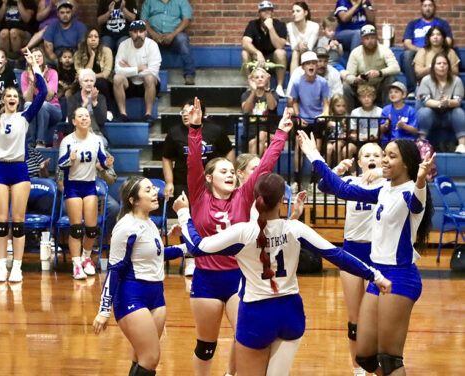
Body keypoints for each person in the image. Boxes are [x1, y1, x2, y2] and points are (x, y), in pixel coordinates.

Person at [174, 171, 391, 376]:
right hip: (290, 313)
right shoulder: (295, 229)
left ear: (255, 199)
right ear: (281, 201)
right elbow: (338, 256)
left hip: (256, 314)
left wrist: (184, 214)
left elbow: (197, 247)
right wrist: (376, 276)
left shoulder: (242, 232)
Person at [300, 130, 435, 376]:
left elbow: (417, 200)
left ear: (406, 162)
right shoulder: (384, 190)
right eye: (384, 155)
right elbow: (341, 188)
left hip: (400, 278)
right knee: (365, 356)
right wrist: (313, 155)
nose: (384, 160)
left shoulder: (410, 192)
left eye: (390, 156)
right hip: (378, 274)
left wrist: (421, 180)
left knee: (390, 358)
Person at [185, 98, 292, 376]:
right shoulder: (198, 196)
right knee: (205, 346)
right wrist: (195, 129)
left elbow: (264, 166)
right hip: (206, 279)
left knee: (244, 339)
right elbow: (194, 162)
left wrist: (280, 132)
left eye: (233, 171)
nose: (230, 175)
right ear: (209, 178)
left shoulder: (243, 197)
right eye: (223, 171)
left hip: (238, 277)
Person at [92, 176, 187, 376]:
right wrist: (103, 310)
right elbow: (115, 269)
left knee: (141, 358)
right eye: (148, 190)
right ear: (133, 200)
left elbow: (157, 254)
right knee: (151, 358)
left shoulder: (150, 223)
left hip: (156, 295)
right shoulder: (126, 226)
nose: (155, 192)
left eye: (154, 188)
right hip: (132, 295)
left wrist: (185, 248)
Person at [0, 52, 47, 283]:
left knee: (18, 221)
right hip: (1, 171)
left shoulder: (25, 117)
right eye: (9, 96)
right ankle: (2, 265)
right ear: (4, 100)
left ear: (18, 99)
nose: (12, 98)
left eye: (15, 95)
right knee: (1, 221)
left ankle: (17, 266)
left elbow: (43, 93)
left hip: (19, 170)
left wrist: (35, 66)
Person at [322, 142, 386, 376]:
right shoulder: (350, 182)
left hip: (377, 254)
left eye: (376, 155)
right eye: (366, 155)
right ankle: (357, 369)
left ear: (383, 160)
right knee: (354, 319)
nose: (372, 158)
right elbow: (323, 185)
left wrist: (380, 173)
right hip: (350, 251)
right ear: (359, 162)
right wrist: (338, 170)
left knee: (375, 315)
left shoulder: (389, 185)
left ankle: (376, 363)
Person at [58, 107, 114, 279]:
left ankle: (86, 258)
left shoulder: (96, 140)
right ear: (74, 121)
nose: (84, 119)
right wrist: (70, 159)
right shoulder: (67, 141)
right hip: (72, 186)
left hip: (90, 185)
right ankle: (76, 264)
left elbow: (103, 161)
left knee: (91, 229)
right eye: (80, 116)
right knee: (76, 229)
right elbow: (61, 163)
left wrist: (107, 163)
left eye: (86, 116)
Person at [163, 99, 234, 215]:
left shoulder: (215, 131)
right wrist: (169, 182)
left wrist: (228, 173)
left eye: (189, 111)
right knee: (187, 216)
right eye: (183, 112)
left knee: (210, 215)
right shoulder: (174, 133)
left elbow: (228, 151)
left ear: (199, 113)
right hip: (183, 181)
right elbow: (166, 157)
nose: (185, 114)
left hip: (211, 182)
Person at [289, 51, 330, 180]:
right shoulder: (296, 82)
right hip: (303, 120)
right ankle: (297, 179)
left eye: (313, 63)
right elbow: (294, 102)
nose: (311, 66)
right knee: (299, 148)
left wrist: (325, 115)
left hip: (318, 120)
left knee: (316, 149)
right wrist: (298, 117)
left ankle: (314, 179)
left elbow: (326, 103)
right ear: (303, 67)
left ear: (317, 66)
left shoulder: (323, 82)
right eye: (308, 64)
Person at [343, 25, 400, 112]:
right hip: (361, 87)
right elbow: (348, 75)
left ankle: (388, 115)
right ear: (362, 40)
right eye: (367, 38)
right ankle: (348, 117)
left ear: (376, 38)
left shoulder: (384, 50)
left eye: (372, 38)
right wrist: (356, 80)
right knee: (346, 86)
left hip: (379, 87)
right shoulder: (355, 52)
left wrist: (379, 72)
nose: (370, 41)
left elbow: (396, 68)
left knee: (391, 79)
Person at [113, 20, 162, 123]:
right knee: (117, 78)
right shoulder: (123, 45)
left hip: (148, 84)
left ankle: (148, 114)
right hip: (130, 83)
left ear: (145, 33)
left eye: (141, 31)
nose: (138, 34)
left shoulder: (152, 45)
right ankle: (123, 114)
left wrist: (129, 68)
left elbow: (153, 71)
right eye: (135, 32)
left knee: (149, 77)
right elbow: (118, 70)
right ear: (130, 33)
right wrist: (139, 68)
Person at [402, 0, 453, 96]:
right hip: (417, 51)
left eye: (430, 6)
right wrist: (420, 50)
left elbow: (449, 40)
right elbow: (407, 42)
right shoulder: (413, 24)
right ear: (421, 8)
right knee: (407, 54)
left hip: (437, 50)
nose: (428, 8)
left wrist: (435, 47)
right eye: (425, 6)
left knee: (448, 53)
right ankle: (413, 90)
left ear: (434, 8)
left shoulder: (442, 23)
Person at [416, 53, 465, 153]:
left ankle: (462, 144)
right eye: (439, 63)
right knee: (425, 112)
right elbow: (426, 101)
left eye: (445, 63)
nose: (442, 66)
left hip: (449, 115)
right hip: (432, 115)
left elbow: (458, 101)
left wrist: (448, 102)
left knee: (459, 111)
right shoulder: (426, 80)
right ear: (433, 66)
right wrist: (440, 103)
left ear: (448, 66)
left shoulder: (457, 81)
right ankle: (421, 143)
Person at [140, 0, 195, 85]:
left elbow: (186, 20)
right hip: (153, 35)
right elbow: (143, 20)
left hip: (174, 35)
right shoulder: (149, 1)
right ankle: (141, 74)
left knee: (182, 39)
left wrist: (172, 34)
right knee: (143, 38)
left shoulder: (182, 1)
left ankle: (189, 75)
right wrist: (154, 34)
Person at [241, 1, 287, 97]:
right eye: (263, 10)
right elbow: (245, 42)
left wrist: (270, 28)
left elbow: (280, 45)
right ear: (259, 12)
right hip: (257, 58)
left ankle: (279, 87)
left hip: (273, 58)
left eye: (269, 10)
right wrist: (258, 53)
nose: (266, 12)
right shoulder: (253, 24)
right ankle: (251, 84)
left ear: (272, 12)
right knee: (244, 53)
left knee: (281, 53)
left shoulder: (280, 25)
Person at [22, 47, 62, 147]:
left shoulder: (52, 73)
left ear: (43, 58)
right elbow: (28, 99)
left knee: (43, 104)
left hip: (53, 109)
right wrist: (31, 81)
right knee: (27, 105)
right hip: (35, 110)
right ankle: (30, 143)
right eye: (34, 56)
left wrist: (42, 78)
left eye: (39, 56)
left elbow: (49, 97)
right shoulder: (25, 75)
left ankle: (40, 141)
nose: (37, 58)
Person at [74, 27, 114, 111]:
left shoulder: (106, 51)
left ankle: (108, 111)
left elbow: (106, 73)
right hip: (84, 82)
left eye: (96, 37)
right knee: (80, 85)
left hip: (104, 81)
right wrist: (92, 56)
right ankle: (79, 112)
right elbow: (81, 74)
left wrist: (90, 78)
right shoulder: (78, 54)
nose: (93, 39)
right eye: (90, 37)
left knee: (101, 83)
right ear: (86, 39)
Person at [241, 68, 278, 156]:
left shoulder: (272, 93)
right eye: (257, 77)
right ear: (252, 80)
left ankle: (253, 166)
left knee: (262, 134)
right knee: (262, 146)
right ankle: (258, 168)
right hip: (252, 132)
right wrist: (253, 92)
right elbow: (246, 110)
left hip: (270, 132)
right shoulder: (246, 95)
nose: (260, 79)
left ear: (267, 79)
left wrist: (266, 90)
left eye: (262, 77)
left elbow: (272, 107)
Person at [66, 69, 109, 146]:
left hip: (96, 134)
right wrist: (84, 104)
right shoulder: (73, 99)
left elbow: (102, 120)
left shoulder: (101, 98)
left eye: (91, 81)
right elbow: (71, 121)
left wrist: (94, 102)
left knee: (99, 143)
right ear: (80, 83)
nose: (89, 83)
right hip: (77, 134)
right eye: (86, 81)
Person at [0, 0, 37, 69]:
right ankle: (4, 62)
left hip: (24, 33)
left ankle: (18, 61)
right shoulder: (2, 2)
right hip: (5, 31)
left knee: (13, 32)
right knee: (3, 33)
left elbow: (27, 19)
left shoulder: (28, 2)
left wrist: (19, 2)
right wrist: (4, 4)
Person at [286, 2, 319, 74]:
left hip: (311, 53)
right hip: (295, 54)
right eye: (293, 11)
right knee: (295, 52)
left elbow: (310, 46)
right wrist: (299, 45)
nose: (294, 14)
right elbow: (293, 46)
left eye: (298, 11)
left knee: (303, 51)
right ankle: (293, 82)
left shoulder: (314, 26)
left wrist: (302, 46)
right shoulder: (289, 26)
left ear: (305, 13)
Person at [325, 94, 355, 166]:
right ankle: (327, 170)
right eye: (338, 106)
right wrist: (326, 124)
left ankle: (339, 168)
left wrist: (345, 135)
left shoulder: (347, 117)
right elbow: (324, 132)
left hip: (342, 140)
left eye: (343, 106)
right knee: (328, 148)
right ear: (333, 106)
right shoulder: (328, 117)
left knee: (336, 145)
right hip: (330, 139)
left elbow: (350, 132)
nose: (341, 108)